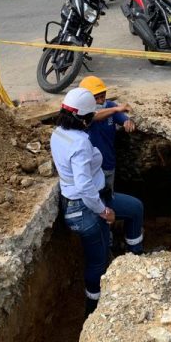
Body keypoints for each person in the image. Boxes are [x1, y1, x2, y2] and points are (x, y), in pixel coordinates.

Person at [50, 88, 144, 315]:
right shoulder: (80, 143)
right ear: (84, 118)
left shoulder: (59, 132)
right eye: (91, 115)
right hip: (85, 209)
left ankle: (136, 260)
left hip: (96, 197)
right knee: (97, 262)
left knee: (135, 208)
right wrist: (104, 212)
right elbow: (83, 186)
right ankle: (93, 310)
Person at [79, 76, 135, 191]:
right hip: (91, 169)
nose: (100, 101)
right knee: (95, 199)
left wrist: (127, 121)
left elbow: (122, 118)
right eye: (96, 98)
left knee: (108, 197)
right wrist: (116, 110)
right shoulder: (81, 114)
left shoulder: (110, 106)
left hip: (108, 164)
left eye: (102, 96)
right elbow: (94, 116)